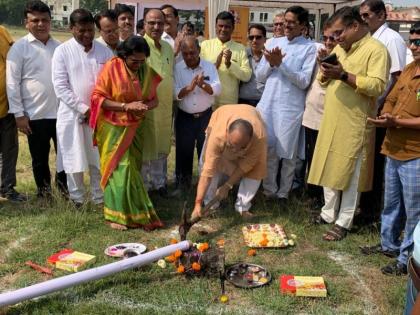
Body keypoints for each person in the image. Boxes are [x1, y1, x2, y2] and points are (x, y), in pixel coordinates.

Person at [307, 6, 389, 241]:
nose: (336, 39)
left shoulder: (376, 50)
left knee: (351, 174)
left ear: (355, 26)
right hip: (332, 119)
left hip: (355, 122)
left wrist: (344, 75)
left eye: (339, 33)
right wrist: (325, 67)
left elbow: (377, 86)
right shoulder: (342, 49)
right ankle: (327, 213)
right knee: (329, 166)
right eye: (332, 36)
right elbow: (323, 83)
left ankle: (344, 220)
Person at [360, 22, 420, 275]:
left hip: (415, 152)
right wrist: (386, 115)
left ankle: (407, 259)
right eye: (413, 41)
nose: (413, 46)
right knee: (391, 203)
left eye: (419, 42)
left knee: (413, 209)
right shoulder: (409, 69)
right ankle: (389, 244)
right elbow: (391, 98)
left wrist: (396, 121)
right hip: (393, 146)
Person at [90, 36, 164, 230]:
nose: (138, 65)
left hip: (135, 128)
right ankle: (114, 216)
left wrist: (142, 106)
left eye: (142, 61)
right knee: (119, 169)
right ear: (123, 56)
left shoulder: (146, 71)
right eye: (134, 61)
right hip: (113, 128)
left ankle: (132, 213)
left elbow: (154, 100)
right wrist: (125, 106)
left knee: (133, 170)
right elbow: (98, 98)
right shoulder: (111, 68)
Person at [52, 9, 113, 206]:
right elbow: (61, 87)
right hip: (72, 115)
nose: (87, 35)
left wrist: (97, 110)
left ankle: (99, 198)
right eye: (81, 30)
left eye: (90, 30)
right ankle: (77, 199)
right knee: (73, 157)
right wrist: (84, 109)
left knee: (97, 158)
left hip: (100, 115)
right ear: (71, 29)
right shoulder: (62, 51)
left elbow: (112, 83)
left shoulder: (105, 51)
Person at [6, 0, 66, 199]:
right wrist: (19, 115)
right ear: (26, 22)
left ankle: (65, 191)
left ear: (50, 21)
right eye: (35, 20)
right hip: (34, 115)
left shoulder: (60, 47)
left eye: (45, 20)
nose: (40, 24)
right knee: (39, 158)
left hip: (61, 113)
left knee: (64, 157)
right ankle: (44, 193)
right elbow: (12, 84)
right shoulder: (19, 48)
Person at [256, 6, 316, 204]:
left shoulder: (309, 48)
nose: (285, 26)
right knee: (269, 149)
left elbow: (303, 81)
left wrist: (281, 64)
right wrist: (271, 63)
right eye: (284, 22)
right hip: (268, 103)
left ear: (302, 26)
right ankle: (269, 190)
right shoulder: (274, 42)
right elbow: (259, 76)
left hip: (290, 107)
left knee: (288, 153)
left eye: (291, 22)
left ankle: (283, 193)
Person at [358, 0, 407, 224]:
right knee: (366, 161)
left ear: (381, 15)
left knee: (376, 165)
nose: (363, 19)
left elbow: (397, 78)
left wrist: (386, 109)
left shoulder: (392, 39)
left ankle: (371, 212)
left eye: (367, 15)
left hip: (381, 110)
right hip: (368, 107)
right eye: (362, 16)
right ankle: (364, 206)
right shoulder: (369, 38)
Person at [191, 105, 267, 219]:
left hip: (252, 115)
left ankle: (242, 207)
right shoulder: (217, 136)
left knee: (256, 169)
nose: (235, 151)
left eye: (242, 147)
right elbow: (207, 171)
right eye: (232, 145)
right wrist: (197, 203)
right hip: (222, 115)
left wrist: (227, 186)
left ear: (250, 139)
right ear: (227, 133)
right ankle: (210, 204)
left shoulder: (259, 138)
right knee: (212, 164)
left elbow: (245, 166)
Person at [173, 36, 221, 195]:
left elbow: (217, 89)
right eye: (185, 53)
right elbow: (175, 94)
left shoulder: (209, 67)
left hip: (206, 117)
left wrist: (203, 85)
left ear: (199, 51)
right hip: (185, 117)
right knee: (183, 152)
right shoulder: (177, 68)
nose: (189, 57)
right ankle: (182, 185)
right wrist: (190, 87)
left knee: (206, 152)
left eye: (192, 53)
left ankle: (206, 186)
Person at [303, 21, 337, 212]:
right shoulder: (317, 51)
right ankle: (313, 195)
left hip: (327, 117)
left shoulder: (340, 58)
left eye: (332, 38)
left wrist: (326, 63)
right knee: (311, 158)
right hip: (311, 114)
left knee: (325, 160)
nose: (328, 41)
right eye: (325, 38)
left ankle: (325, 202)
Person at [141, 9, 174, 196]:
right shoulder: (139, 44)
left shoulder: (168, 47)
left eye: (160, 23)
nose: (156, 26)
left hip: (165, 106)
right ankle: (144, 187)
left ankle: (160, 184)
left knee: (162, 146)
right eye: (151, 22)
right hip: (147, 106)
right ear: (144, 23)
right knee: (147, 146)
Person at [200, 11, 251, 107]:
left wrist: (230, 64)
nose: (223, 29)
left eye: (227, 27)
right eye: (220, 26)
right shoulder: (205, 45)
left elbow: (247, 76)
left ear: (233, 28)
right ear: (215, 27)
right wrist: (214, 66)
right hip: (208, 100)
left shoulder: (240, 48)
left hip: (229, 102)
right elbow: (198, 72)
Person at [0, 25, 25, 202]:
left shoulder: (1, 32)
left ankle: (7, 188)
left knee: (9, 150)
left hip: (4, 106)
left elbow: (11, 59)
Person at [238, 24, 266, 107]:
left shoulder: (270, 56)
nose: (254, 40)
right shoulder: (242, 54)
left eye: (258, 37)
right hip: (243, 101)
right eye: (251, 37)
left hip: (263, 101)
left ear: (264, 39)